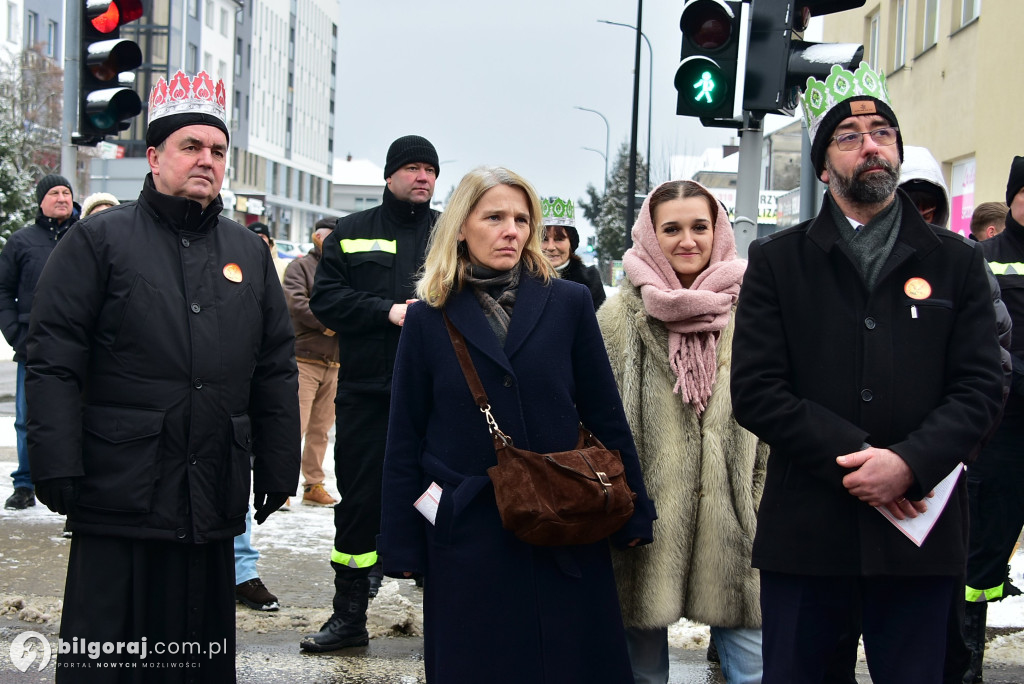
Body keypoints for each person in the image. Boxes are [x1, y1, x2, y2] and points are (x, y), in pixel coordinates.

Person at [730, 62, 1004, 684]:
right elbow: (757, 391)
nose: (870, 145)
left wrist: (910, 464)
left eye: (882, 132)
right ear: (825, 166)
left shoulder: (957, 262)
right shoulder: (778, 262)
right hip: (809, 536)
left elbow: (982, 385)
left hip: (919, 535)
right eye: (849, 137)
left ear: (899, 151)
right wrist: (860, 459)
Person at [25, 70, 299, 679]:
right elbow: (53, 358)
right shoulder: (100, 240)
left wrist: (279, 463)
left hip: (210, 494)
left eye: (218, 151)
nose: (207, 160)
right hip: (120, 487)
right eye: (191, 147)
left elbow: (275, 367)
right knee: (113, 657)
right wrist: (55, 460)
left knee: (194, 655)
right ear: (154, 156)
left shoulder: (248, 252)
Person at [378, 165, 655, 682]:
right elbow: (404, 436)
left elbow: (604, 413)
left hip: (564, 521)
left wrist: (636, 511)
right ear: (461, 225)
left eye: (522, 219)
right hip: (468, 530)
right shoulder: (428, 315)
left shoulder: (569, 302)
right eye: (495, 217)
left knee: (568, 663)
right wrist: (401, 542)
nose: (512, 230)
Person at [597, 179, 765, 684]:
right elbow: (596, 426)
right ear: (650, 236)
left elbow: (776, 417)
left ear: (720, 232)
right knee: (641, 675)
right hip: (642, 530)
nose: (687, 240)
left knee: (754, 670)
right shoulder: (617, 319)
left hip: (736, 524)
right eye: (670, 229)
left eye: (700, 227)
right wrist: (620, 507)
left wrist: (757, 496)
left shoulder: (754, 312)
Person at [301, 134, 441, 652]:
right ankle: (349, 618)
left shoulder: (452, 231)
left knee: (440, 502)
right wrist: (388, 311)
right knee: (359, 503)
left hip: (437, 396)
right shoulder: (352, 232)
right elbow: (327, 299)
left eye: (430, 170)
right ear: (389, 176)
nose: (422, 177)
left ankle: (447, 617)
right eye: (412, 168)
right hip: (368, 392)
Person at [963, 155, 1024, 682]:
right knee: (978, 565)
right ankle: (963, 670)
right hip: (1002, 435)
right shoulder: (982, 258)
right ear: (1013, 200)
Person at [0, 174, 78, 511]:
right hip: (32, 346)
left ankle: (76, 480)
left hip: (79, 346)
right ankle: (25, 483)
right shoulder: (21, 242)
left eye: (66, 192)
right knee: (26, 418)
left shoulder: (84, 236)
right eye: (54, 192)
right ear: (40, 200)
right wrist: (16, 335)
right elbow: (3, 290)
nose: (62, 197)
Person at [283, 219, 340, 507]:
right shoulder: (300, 267)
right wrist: (331, 325)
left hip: (335, 362)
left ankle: (313, 485)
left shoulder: (342, 269)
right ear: (317, 236)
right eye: (329, 236)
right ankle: (282, 486)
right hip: (304, 358)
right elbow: (297, 304)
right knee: (296, 426)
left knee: (320, 430)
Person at [539, 195, 605, 309]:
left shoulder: (590, 282)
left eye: (559, 239)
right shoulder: (520, 279)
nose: (550, 247)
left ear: (571, 243)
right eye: (544, 239)